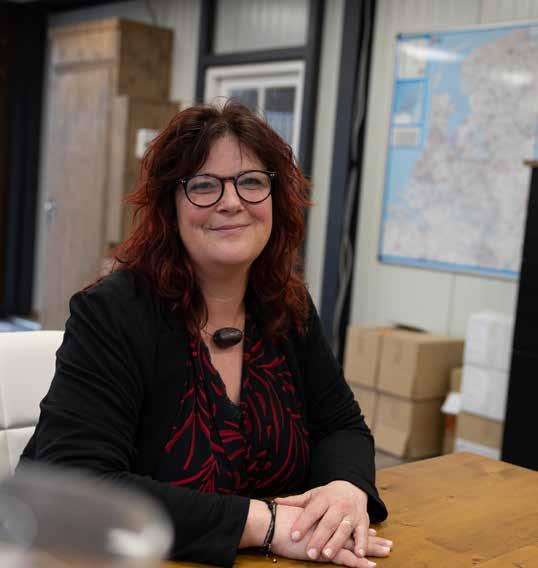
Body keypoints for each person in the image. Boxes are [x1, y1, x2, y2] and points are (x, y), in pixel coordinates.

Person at [20, 102, 391, 567]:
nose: (231, 201)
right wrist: (264, 525)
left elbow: (340, 426)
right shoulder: (112, 313)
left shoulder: (287, 306)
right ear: (170, 207)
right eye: (203, 186)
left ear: (276, 199)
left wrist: (345, 488)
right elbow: (79, 485)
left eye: (251, 182)